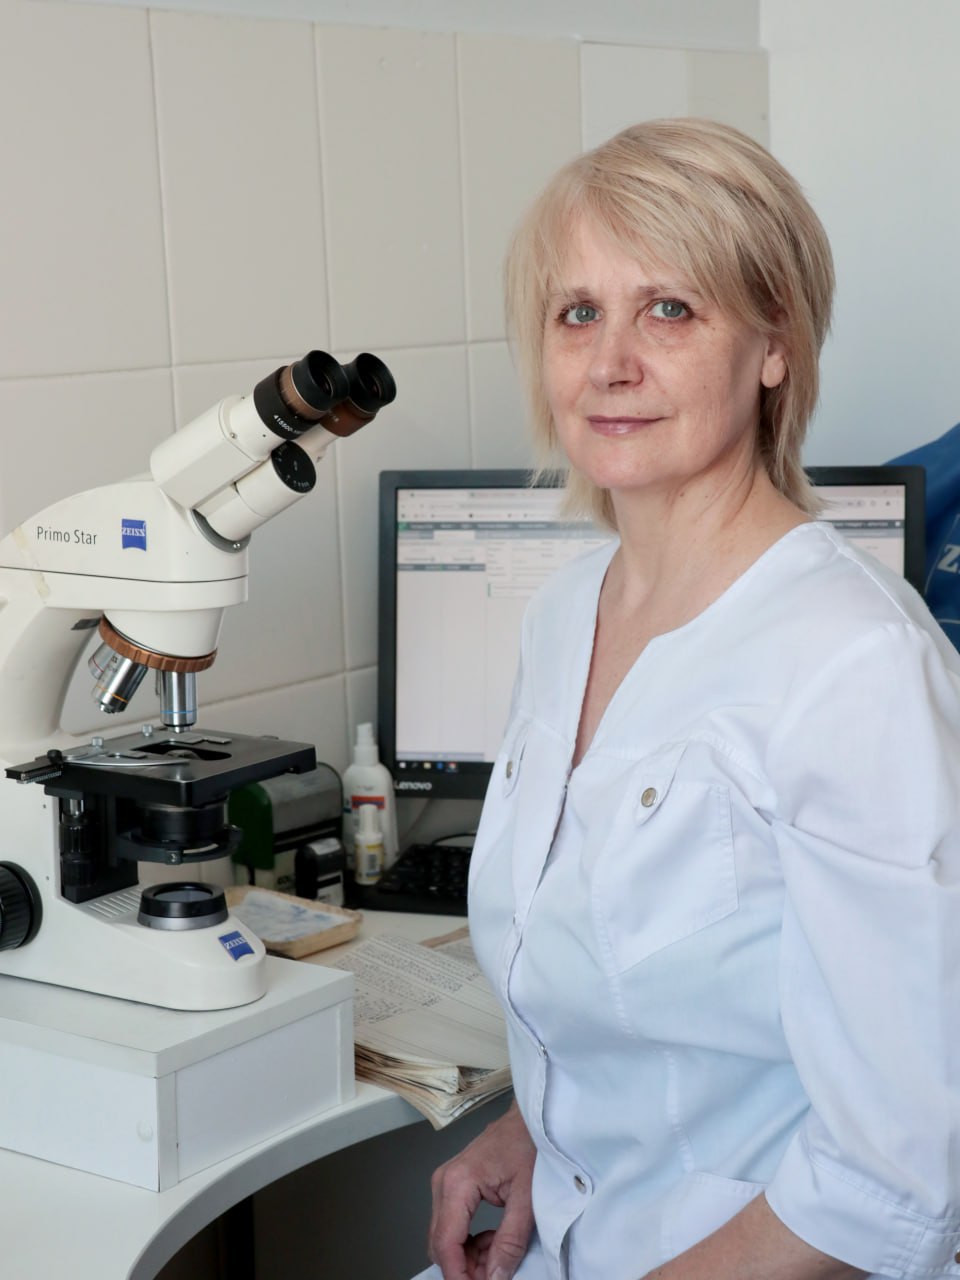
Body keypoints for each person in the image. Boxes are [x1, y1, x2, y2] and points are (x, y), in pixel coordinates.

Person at [415, 118, 960, 1280]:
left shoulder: (855, 661)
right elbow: (651, 999)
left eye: (669, 309)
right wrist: (537, 1127)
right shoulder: (564, 613)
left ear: (775, 345)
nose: (610, 362)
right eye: (578, 313)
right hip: (571, 1237)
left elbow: (900, 1169)